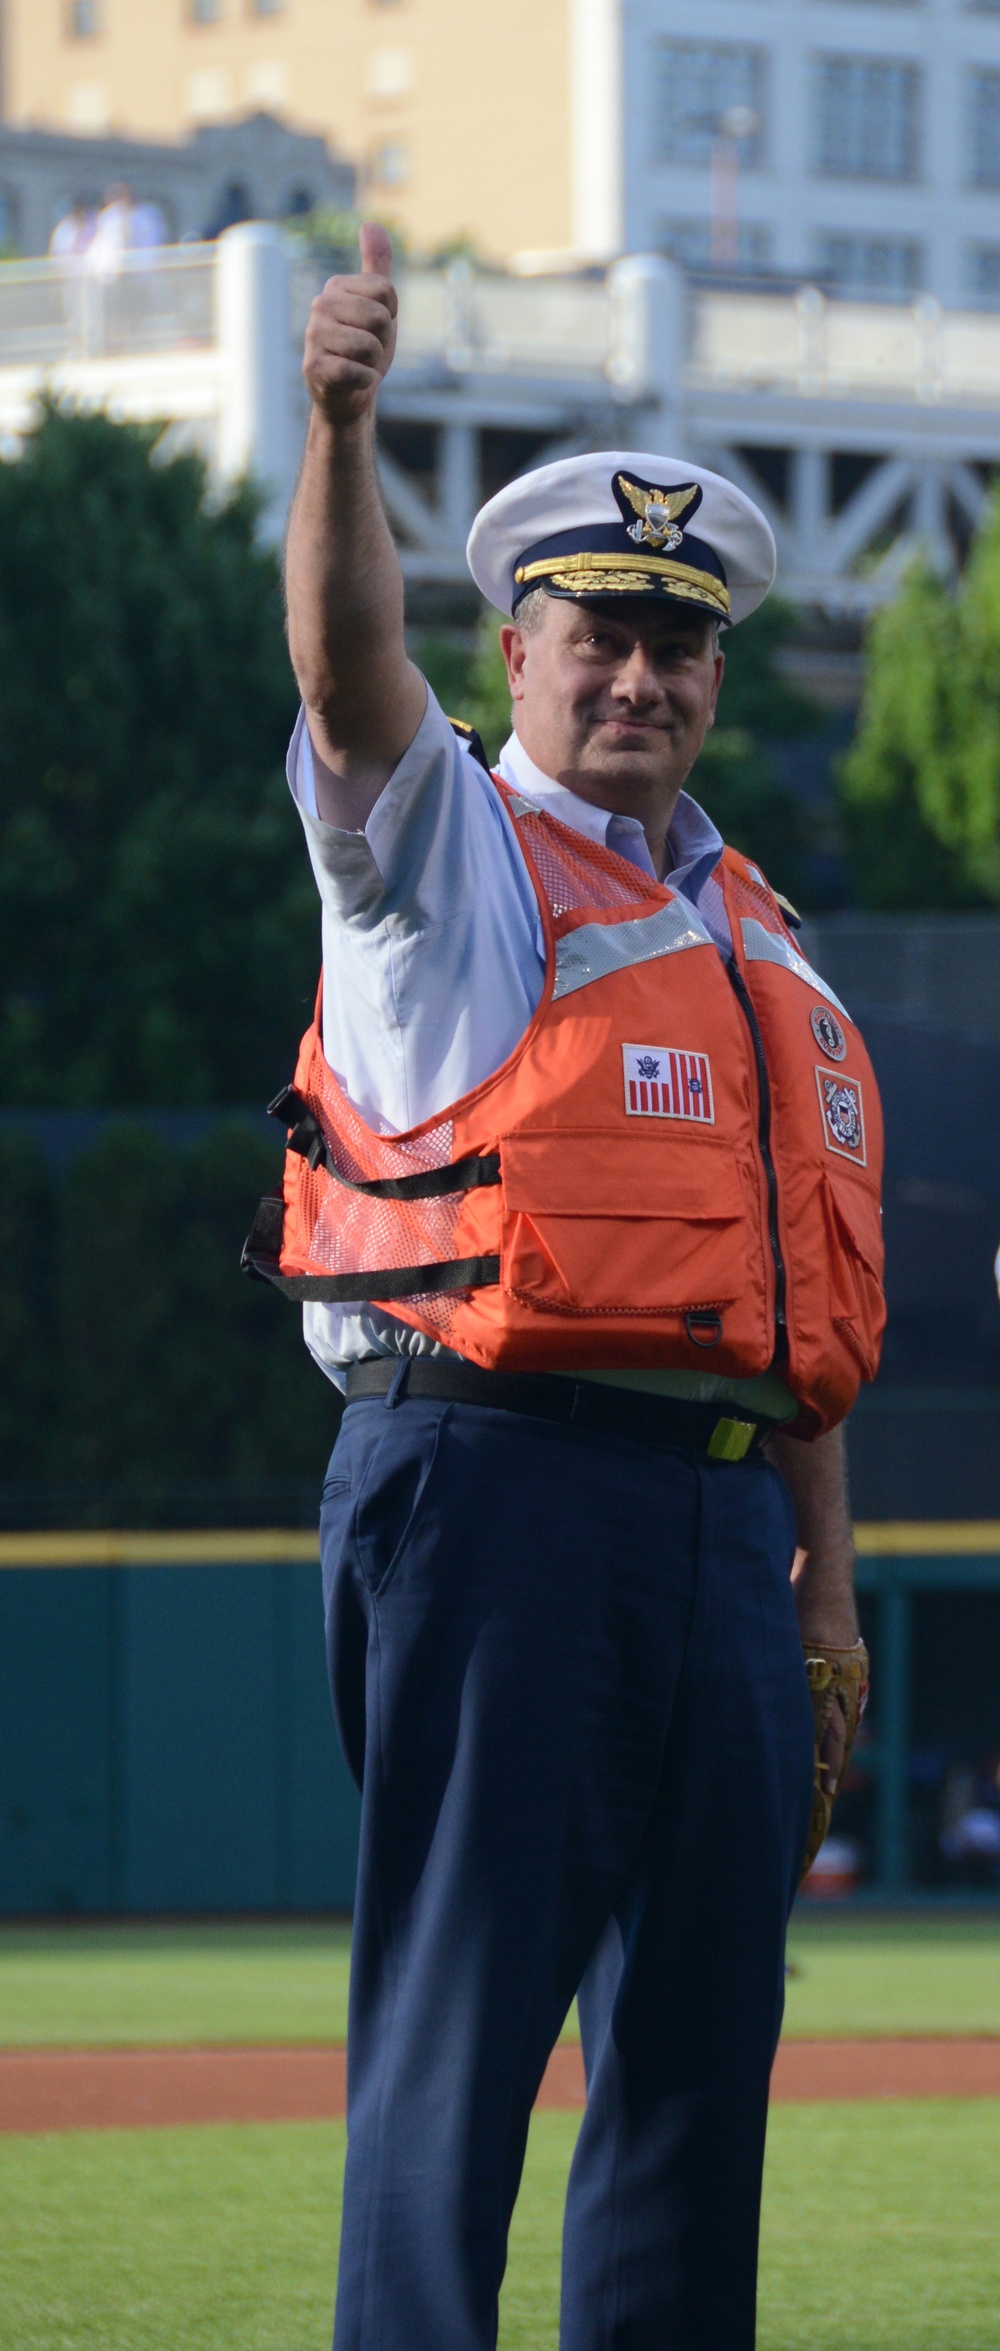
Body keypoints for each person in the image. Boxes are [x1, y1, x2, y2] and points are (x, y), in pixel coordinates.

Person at [255, 223, 884, 2351]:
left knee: (700, 2066)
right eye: (594, 634)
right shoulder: (444, 859)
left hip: (716, 1526)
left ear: (714, 673)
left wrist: (818, 1587)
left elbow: (788, 1305)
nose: (638, 676)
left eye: (676, 644)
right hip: (490, 1491)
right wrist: (340, 431)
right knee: (455, 2060)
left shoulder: (756, 924)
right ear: (507, 649)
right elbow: (343, 680)